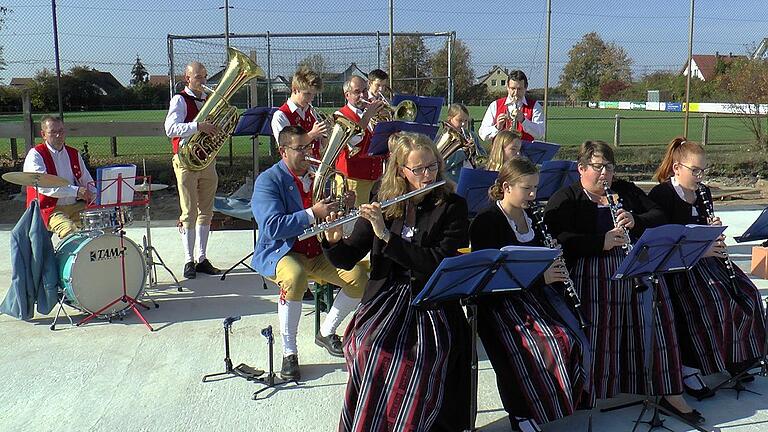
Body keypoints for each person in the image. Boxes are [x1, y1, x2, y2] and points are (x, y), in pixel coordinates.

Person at [544, 140, 704, 423]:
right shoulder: (566, 198)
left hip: (635, 264)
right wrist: (599, 242)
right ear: (581, 168)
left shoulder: (626, 190)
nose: (604, 173)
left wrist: (635, 219)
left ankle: (668, 389)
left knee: (658, 305)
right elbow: (559, 240)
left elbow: (658, 215)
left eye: (609, 167)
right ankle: (591, 389)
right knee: (604, 307)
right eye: (597, 167)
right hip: (591, 270)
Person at [323, 132, 471, 431]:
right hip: (387, 296)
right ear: (401, 170)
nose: (427, 175)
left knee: (423, 356)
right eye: (418, 170)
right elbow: (347, 257)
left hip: (431, 298)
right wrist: (333, 241)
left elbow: (436, 262)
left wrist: (387, 237)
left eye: (432, 167)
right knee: (367, 347)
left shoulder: (452, 205)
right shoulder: (384, 198)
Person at [470, 157, 591, 431]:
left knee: (572, 338)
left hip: (534, 296)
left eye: (536, 188)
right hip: (500, 302)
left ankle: (554, 403)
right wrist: (542, 276)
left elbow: (540, 259)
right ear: (506, 187)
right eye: (527, 189)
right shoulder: (487, 222)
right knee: (543, 344)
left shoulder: (534, 218)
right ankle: (522, 412)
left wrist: (552, 265)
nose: (534, 195)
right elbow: (491, 276)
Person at [648, 137, 766, 398]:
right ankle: (690, 366)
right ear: (677, 168)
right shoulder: (663, 194)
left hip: (708, 261)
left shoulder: (703, 193)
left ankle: (738, 356)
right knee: (715, 300)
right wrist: (701, 247)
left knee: (749, 294)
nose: (700, 177)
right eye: (695, 171)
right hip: (678, 268)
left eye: (703, 171)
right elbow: (664, 241)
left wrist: (714, 232)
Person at [250, 125, 367, 381]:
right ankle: (289, 352)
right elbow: (271, 227)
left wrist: (343, 205)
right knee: (295, 276)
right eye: (300, 148)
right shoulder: (268, 181)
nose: (307, 153)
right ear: (283, 151)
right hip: (283, 251)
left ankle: (326, 331)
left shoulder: (318, 177)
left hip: (317, 249)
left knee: (359, 277)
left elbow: (334, 219)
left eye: (309, 147)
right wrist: (313, 212)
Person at [164, 61, 221, 279]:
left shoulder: (209, 100)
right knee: (189, 211)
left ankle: (202, 257)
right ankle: (188, 260)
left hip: (207, 160)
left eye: (205, 76)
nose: (203, 81)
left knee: (207, 211)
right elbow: (170, 129)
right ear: (187, 78)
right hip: (186, 161)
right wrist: (198, 126)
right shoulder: (179, 99)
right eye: (199, 77)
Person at [23, 115, 95, 239]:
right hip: (50, 209)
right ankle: (66, 258)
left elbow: (87, 181)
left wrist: (97, 195)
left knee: (102, 223)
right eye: (53, 132)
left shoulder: (73, 153)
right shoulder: (35, 155)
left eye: (61, 131)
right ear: (43, 134)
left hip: (76, 206)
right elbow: (45, 186)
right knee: (69, 230)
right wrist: (76, 191)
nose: (58, 135)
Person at [333, 75, 386, 207]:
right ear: (347, 95)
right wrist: (368, 116)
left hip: (375, 178)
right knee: (353, 223)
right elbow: (352, 140)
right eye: (357, 92)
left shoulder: (370, 114)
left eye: (364, 91)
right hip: (352, 180)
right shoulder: (340, 115)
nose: (362, 95)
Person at [271, 66, 328, 160]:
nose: (311, 99)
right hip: (295, 169)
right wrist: (312, 134)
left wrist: (325, 136)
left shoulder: (311, 112)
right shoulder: (281, 116)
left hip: (315, 167)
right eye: (307, 94)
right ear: (294, 90)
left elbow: (322, 146)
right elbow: (288, 147)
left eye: (313, 94)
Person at [478, 70, 544, 143]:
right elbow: (482, 134)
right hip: (500, 152)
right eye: (513, 88)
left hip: (524, 153)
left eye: (519, 89)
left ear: (526, 88)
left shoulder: (534, 106)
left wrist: (523, 120)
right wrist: (497, 127)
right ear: (507, 87)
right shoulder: (495, 105)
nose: (515, 93)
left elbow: (540, 133)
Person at [435, 103, 486, 182]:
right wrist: (463, 153)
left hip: (471, 177)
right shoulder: (444, 137)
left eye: (465, 121)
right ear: (450, 119)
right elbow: (442, 164)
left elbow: (483, 156)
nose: (463, 124)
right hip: (453, 180)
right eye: (459, 120)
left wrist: (474, 152)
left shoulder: (471, 135)